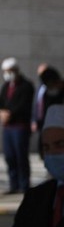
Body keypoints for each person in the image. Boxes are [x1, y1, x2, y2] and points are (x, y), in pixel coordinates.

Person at [1, 57, 35, 194]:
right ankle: (13, 184)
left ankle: (24, 185)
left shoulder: (26, 85)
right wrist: (2, 113)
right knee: (9, 156)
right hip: (8, 128)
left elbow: (23, 105)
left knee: (21, 156)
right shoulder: (5, 86)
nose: (8, 74)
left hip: (20, 127)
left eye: (10, 71)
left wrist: (9, 114)